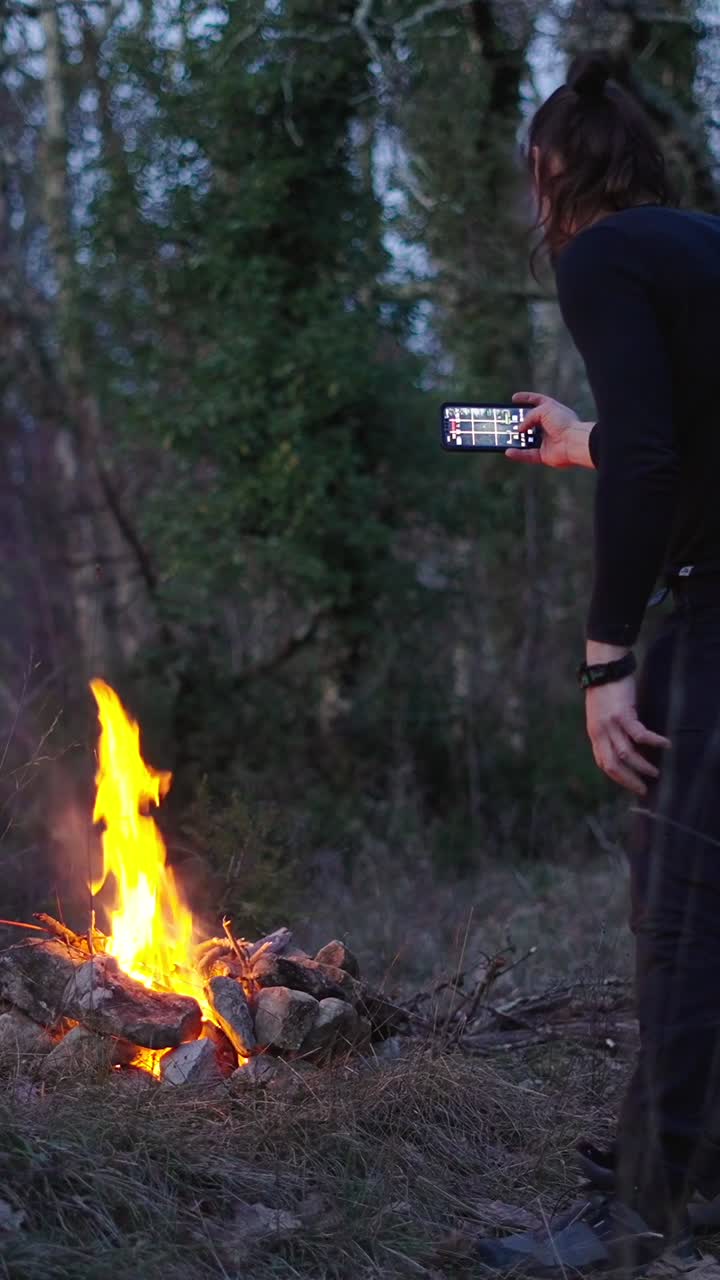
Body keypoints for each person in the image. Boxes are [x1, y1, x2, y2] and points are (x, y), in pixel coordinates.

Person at [474, 49, 720, 1276]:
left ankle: (644, 1207)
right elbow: (676, 436)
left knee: (681, 913)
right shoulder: (700, 248)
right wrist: (580, 442)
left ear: (551, 173)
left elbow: (661, 462)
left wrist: (605, 653)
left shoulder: (602, 256)